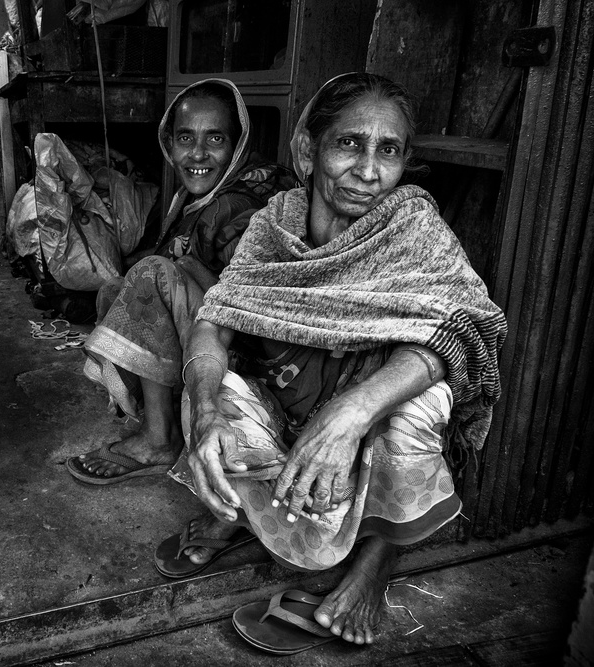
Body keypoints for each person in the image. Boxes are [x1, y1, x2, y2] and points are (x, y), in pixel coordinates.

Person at [158, 72, 507, 652]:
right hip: (292, 396)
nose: (369, 171)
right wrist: (202, 414)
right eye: (349, 144)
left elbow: (460, 328)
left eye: (388, 150)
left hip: (365, 418)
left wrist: (348, 415)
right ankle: (244, 513)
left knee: (421, 397)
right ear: (307, 149)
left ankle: (374, 563)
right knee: (211, 389)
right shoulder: (273, 225)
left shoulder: (413, 227)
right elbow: (214, 319)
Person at [66, 79, 296, 484]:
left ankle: (159, 438)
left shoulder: (239, 202)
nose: (198, 153)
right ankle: (165, 413)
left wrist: (167, 275)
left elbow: (253, 294)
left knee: (149, 277)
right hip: (216, 330)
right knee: (116, 290)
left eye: (216, 139)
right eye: (186, 138)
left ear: (237, 144)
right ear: (168, 144)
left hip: (248, 351)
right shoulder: (203, 197)